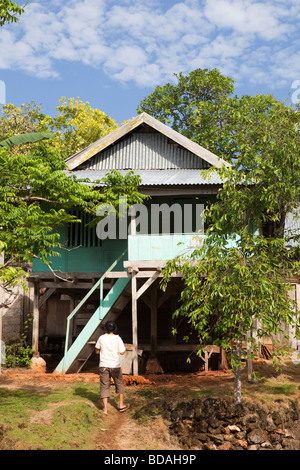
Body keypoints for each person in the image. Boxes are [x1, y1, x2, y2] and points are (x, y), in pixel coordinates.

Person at [95, 321, 130, 414]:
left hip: (104, 365)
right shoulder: (118, 338)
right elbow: (122, 352)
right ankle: (121, 405)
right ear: (114, 329)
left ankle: (105, 409)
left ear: (105, 329)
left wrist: (100, 351)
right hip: (115, 365)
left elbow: (97, 349)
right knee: (119, 384)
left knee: (104, 385)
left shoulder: (101, 338)